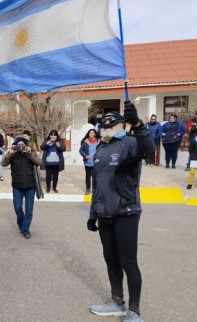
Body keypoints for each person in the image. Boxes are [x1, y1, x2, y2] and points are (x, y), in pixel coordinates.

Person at [87, 102, 155, 322]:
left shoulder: (130, 143)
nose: (106, 127)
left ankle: (134, 312)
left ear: (121, 125)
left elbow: (148, 148)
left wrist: (137, 123)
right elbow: (97, 183)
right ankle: (117, 302)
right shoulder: (100, 148)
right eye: (103, 125)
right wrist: (93, 213)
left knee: (128, 261)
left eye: (111, 124)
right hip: (104, 212)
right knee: (110, 258)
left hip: (126, 211)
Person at [0, 136, 42, 239]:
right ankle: (21, 223)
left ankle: (25, 230)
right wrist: (8, 154)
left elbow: (39, 162)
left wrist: (30, 153)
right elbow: (3, 163)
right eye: (19, 145)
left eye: (23, 145)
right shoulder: (13, 155)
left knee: (29, 210)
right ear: (15, 145)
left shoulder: (30, 154)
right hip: (17, 186)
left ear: (26, 145)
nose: (21, 146)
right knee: (18, 208)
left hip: (30, 186)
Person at [79, 129, 100, 195]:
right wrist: (85, 156)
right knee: (88, 176)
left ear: (95, 134)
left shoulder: (99, 141)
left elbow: (103, 150)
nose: (91, 134)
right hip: (88, 162)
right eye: (90, 133)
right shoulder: (85, 141)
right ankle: (88, 188)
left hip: (96, 162)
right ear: (88, 134)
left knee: (95, 176)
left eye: (93, 133)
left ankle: (94, 189)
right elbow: (81, 150)